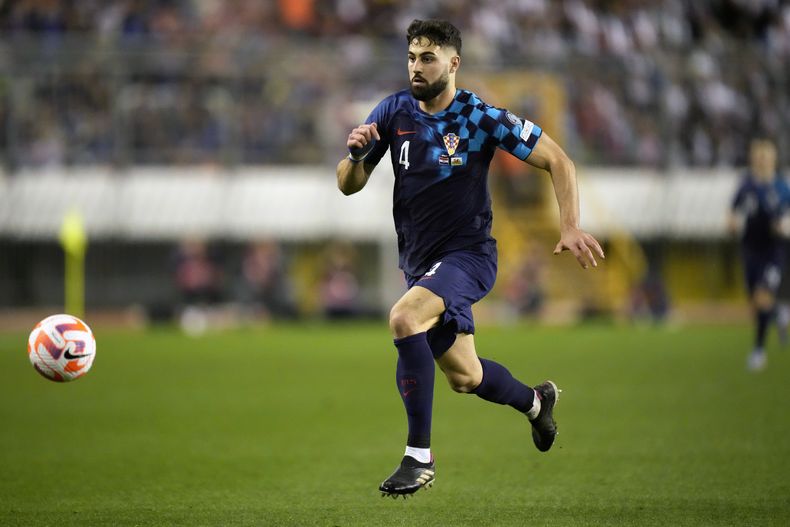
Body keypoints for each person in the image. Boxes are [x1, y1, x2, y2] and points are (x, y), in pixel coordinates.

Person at [336, 19, 605, 497]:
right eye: (412, 58)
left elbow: (559, 160)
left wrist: (568, 224)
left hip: (469, 256)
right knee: (466, 375)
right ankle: (536, 403)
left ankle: (419, 459)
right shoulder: (393, 111)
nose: (416, 68)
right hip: (421, 265)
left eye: (428, 58)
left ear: (453, 63)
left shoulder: (480, 117)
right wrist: (356, 157)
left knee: (403, 318)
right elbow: (347, 184)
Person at [729, 138, 790, 371]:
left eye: (766, 155)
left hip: (773, 252)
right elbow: (733, 210)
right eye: (758, 155)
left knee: (763, 296)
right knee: (756, 303)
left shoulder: (783, 188)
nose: (762, 160)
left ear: (773, 159)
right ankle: (780, 312)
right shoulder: (747, 186)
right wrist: (732, 222)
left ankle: (758, 351)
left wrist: (783, 226)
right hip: (750, 251)